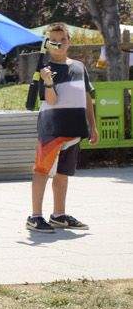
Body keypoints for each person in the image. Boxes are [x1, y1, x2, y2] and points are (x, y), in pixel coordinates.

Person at [25, 22, 97, 232]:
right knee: (42, 170)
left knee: (63, 173)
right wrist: (47, 81)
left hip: (75, 129)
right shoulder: (44, 70)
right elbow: (52, 100)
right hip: (52, 129)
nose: (58, 44)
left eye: (62, 40)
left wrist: (92, 126)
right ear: (47, 44)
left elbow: (86, 97)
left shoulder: (79, 67)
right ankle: (35, 216)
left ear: (69, 41)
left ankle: (59, 214)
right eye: (54, 41)